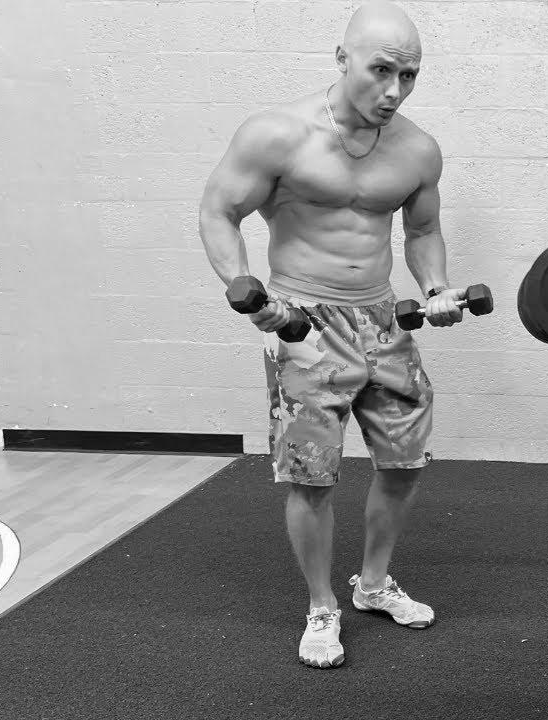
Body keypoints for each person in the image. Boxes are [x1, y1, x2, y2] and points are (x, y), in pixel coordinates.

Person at [197, 1, 462, 669]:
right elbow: (218, 211)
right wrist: (245, 289)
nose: (395, 91)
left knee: (405, 461)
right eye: (381, 71)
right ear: (342, 58)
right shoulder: (277, 135)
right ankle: (322, 608)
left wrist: (435, 291)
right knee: (312, 476)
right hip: (303, 324)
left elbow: (423, 233)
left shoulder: (418, 149)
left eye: (410, 75)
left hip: (382, 322)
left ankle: (373, 584)